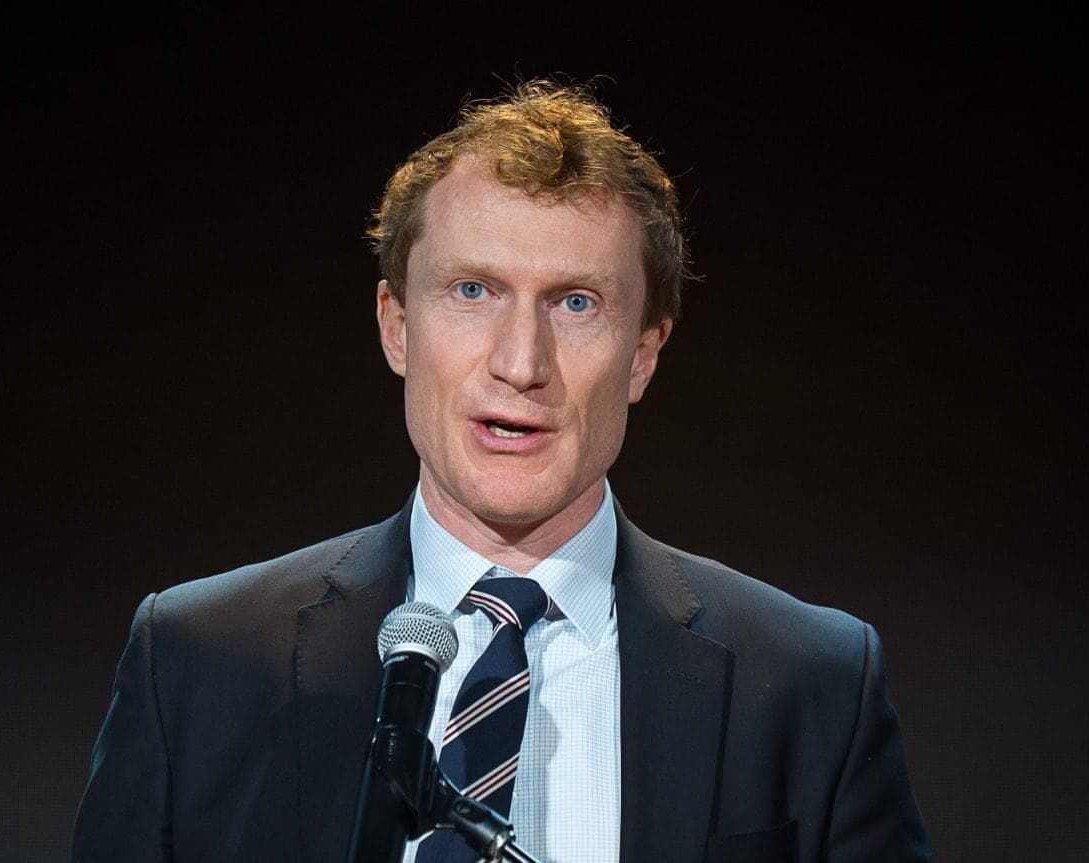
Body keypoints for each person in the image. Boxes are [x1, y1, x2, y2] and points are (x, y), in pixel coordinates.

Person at [72, 80, 933, 862]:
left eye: (576, 303)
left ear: (644, 353)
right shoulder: (197, 662)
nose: (521, 363)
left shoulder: (809, 684)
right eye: (473, 291)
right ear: (396, 326)